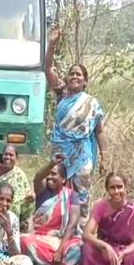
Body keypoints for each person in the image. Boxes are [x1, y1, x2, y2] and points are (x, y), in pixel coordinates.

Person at [46, 27, 107, 225]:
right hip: (60, 151)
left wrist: (105, 157)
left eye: (79, 75)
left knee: (81, 192)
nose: (74, 77)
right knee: (56, 187)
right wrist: (52, 45)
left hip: (82, 154)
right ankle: (57, 224)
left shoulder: (92, 103)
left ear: (85, 81)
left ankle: (80, 229)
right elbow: (47, 69)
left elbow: (99, 132)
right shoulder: (62, 94)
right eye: (71, 74)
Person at [20, 157, 82, 265]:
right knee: (23, 241)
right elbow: (38, 177)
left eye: (54, 174)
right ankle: (62, 264)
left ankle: (44, 262)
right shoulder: (43, 191)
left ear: (63, 179)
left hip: (64, 239)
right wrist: (52, 163)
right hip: (42, 239)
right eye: (48, 174)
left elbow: (72, 225)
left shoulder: (72, 196)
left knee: (78, 248)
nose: (49, 177)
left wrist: (60, 250)